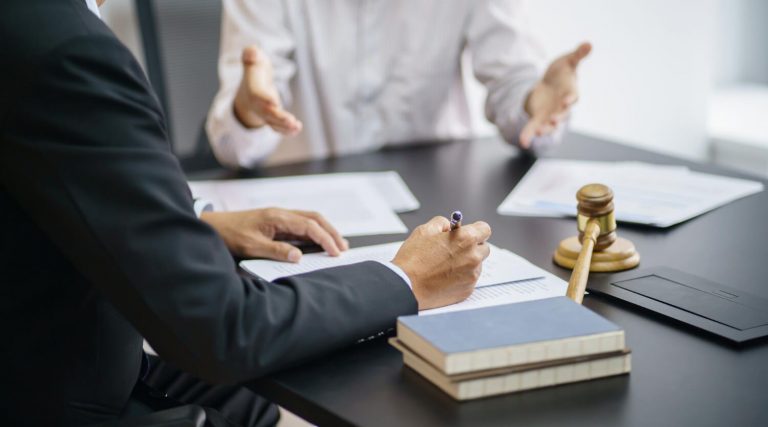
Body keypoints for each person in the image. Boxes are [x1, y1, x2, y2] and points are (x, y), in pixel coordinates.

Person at [0, 1, 492, 426]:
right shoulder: (69, 51)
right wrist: (405, 279)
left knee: (258, 409)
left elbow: (47, 174)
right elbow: (224, 327)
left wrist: (195, 220)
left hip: (59, 353)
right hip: (61, 397)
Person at [207, 0, 592, 168]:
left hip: (441, 208)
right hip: (305, 204)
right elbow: (235, 148)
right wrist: (249, 110)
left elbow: (516, 97)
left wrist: (535, 105)